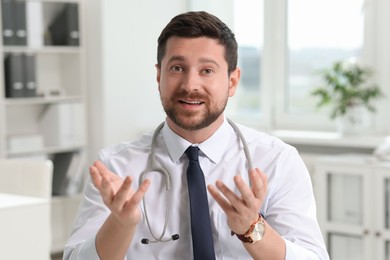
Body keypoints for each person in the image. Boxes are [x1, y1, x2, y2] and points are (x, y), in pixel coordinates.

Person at [63, 11, 329, 260]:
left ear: (232, 81)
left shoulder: (277, 160)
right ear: (159, 76)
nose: (190, 85)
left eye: (207, 71)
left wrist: (252, 229)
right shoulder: (117, 166)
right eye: (177, 68)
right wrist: (120, 224)